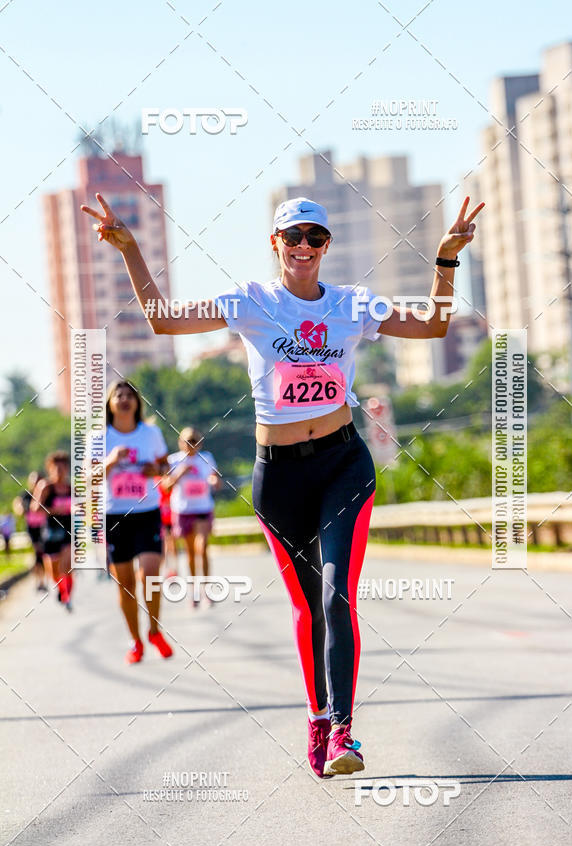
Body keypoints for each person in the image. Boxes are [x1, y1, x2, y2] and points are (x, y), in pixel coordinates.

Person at [82, 191, 483, 776]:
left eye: (314, 238)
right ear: (275, 244)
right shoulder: (251, 301)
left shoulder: (352, 304)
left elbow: (433, 325)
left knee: (336, 595)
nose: (302, 247)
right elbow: (163, 318)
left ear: (326, 246)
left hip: (343, 464)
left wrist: (445, 262)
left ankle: (345, 731)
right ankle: (318, 716)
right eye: (291, 237)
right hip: (280, 475)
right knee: (306, 607)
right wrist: (130, 250)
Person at [100, 379, 173, 664]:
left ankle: (154, 630)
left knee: (151, 575)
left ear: (137, 402)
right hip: (115, 515)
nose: (124, 398)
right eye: (118, 394)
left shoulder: (150, 433)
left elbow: (165, 467)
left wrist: (153, 469)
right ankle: (136, 641)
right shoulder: (101, 436)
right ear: (110, 403)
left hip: (147, 512)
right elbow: (87, 480)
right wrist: (110, 462)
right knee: (126, 584)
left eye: (130, 394)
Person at [162, 427, 221, 607]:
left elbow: (214, 477)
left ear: (200, 442)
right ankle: (194, 590)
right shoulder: (173, 460)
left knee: (201, 548)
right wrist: (179, 474)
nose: (191, 444)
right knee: (189, 552)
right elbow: (165, 486)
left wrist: (214, 481)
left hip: (203, 508)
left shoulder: (207, 458)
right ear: (180, 442)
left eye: (194, 440)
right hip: (183, 510)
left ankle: (206, 590)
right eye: (187, 440)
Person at [31, 452, 73, 610]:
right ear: (50, 469)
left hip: (68, 532)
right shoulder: (46, 487)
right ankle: (62, 589)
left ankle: (68, 594)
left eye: (63, 467)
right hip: (50, 532)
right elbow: (35, 508)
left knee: (67, 565)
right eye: (56, 468)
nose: (60, 471)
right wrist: (55, 510)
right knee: (54, 571)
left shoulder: (71, 488)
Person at [13, 472, 47, 590]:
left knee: (42, 554)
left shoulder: (45, 494)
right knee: (37, 553)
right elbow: (18, 507)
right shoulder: (26, 495)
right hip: (32, 529)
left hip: (44, 528)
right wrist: (19, 508)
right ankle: (39, 580)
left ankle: (42, 580)